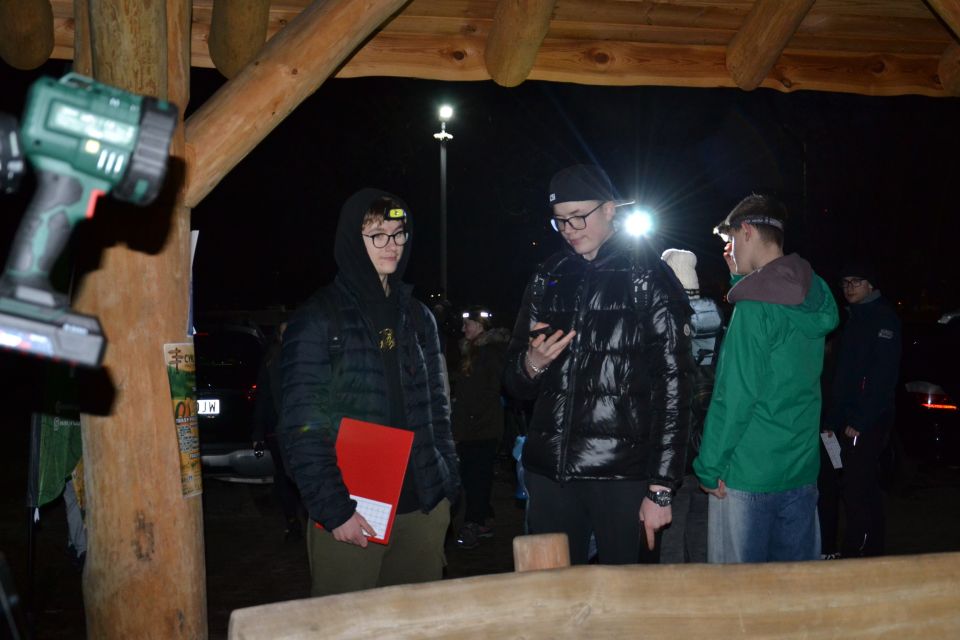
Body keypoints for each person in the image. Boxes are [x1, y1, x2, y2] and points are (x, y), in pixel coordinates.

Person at [503, 164, 693, 565]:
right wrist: (532, 364)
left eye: (578, 216)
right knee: (553, 592)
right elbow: (513, 383)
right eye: (560, 221)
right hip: (551, 473)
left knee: (625, 595)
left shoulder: (648, 276)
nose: (569, 229)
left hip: (623, 477)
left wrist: (661, 487)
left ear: (609, 209)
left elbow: (675, 386)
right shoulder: (549, 276)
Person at [278, 188, 460, 597]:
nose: (391, 244)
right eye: (377, 234)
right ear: (351, 239)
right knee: (348, 622)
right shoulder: (319, 318)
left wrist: (447, 485)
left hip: (422, 507)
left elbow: (438, 408)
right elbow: (300, 426)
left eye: (398, 234)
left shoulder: (419, 317)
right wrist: (334, 509)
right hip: (352, 510)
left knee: (415, 623)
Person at [693, 194, 839, 563]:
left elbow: (734, 396)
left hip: (748, 474)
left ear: (746, 231)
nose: (729, 249)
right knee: (793, 588)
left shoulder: (754, 308)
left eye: (730, 240)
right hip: (800, 469)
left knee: (742, 591)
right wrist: (740, 277)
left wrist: (709, 467)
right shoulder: (814, 292)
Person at [823, 260, 901, 557]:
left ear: (870, 285)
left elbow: (882, 376)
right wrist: (833, 419)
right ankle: (864, 550)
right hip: (845, 420)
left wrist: (861, 419)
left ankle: (862, 551)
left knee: (858, 486)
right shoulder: (853, 318)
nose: (849, 288)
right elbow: (843, 375)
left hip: (866, 421)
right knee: (853, 483)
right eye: (845, 283)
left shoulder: (883, 319)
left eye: (856, 282)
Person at [659, 248, 724, 564]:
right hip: (708, 446)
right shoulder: (718, 321)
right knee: (701, 531)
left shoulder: (666, 322)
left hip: (674, 453)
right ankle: (703, 587)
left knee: (670, 533)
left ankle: (673, 592)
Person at [451, 306, 510, 549]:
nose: (463, 328)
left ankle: (473, 523)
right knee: (472, 476)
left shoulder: (491, 352)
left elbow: (491, 390)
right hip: (469, 428)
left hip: (482, 428)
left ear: (480, 326)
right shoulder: (471, 351)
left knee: (477, 478)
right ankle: (484, 519)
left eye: (468, 324)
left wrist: (473, 417)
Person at [251, 321, 304, 540]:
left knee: (304, 473)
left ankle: (307, 519)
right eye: (284, 332)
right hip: (279, 429)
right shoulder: (272, 360)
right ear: (278, 336)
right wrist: (257, 433)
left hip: (302, 429)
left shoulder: (305, 357)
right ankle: (292, 522)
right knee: (284, 477)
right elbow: (263, 397)